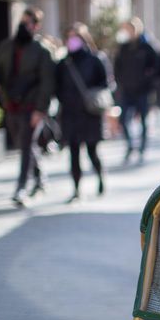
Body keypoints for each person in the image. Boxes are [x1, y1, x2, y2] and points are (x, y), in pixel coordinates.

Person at [0, 7, 55, 206]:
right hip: (11, 105)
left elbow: (47, 83)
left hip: (31, 107)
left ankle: (21, 188)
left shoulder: (42, 51)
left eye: (28, 22)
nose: (24, 26)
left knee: (25, 146)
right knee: (24, 144)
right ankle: (40, 178)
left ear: (36, 26)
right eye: (22, 21)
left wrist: (40, 110)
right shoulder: (6, 46)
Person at [55, 23, 110, 202]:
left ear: (83, 38)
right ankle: (76, 189)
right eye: (69, 37)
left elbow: (105, 83)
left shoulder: (95, 59)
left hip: (90, 113)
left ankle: (101, 177)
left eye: (75, 37)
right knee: (73, 153)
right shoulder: (64, 62)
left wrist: (92, 96)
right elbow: (57, 87)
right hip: (70, 114)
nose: (72, 41)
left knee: (92, 151)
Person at [113, 17, 157, 163]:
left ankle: (142, 148)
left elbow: (155, 67)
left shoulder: (146, 47)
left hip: (142, 91)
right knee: (123, 119)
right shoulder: (123, 48)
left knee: (143, 120)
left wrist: (148, 83)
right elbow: (117, 67)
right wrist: (121, 83)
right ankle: (130, 145)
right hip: (127, 90)